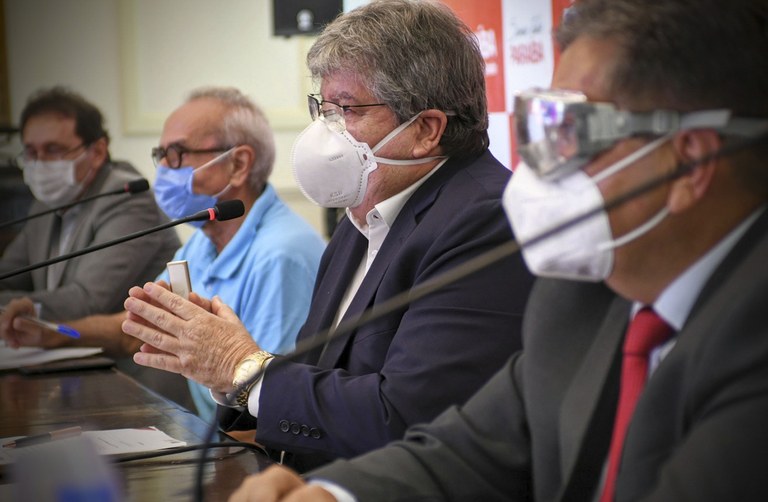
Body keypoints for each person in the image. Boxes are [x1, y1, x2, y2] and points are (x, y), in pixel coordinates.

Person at [227, 0, 768, 500]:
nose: (545, 165)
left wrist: (243, 369)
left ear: (688, 163)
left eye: (576, 131)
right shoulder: (579, 302)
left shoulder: (752, 335)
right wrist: (333, 495)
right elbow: (468, 450)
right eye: (544, 125)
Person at [121, 0, 534, 472]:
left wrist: (243, 368)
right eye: (323, 107)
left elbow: (408, 417)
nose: (324, 130)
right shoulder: (362, 218)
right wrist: (228, 375)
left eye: (348, 110)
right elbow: (319, 375)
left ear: (426, 129)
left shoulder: (486, 219)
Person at [0, 86, 326, 422]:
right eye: (162, 155)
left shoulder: (281, 255)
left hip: (244, 441)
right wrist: (55, 333)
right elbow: (137, 329)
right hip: (208, 431)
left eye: (177, 153)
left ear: (238, 164)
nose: (165, 170)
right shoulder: (204, 241)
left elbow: (274, 400)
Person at [0, 87, 179, 321]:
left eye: (53, 150)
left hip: (123, 343)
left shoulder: (128, 199)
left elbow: (87, 301)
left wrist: (19, 306)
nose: (39, 163)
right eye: (31, 152)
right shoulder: (45, 204)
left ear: (97, 152)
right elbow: (8, 276)